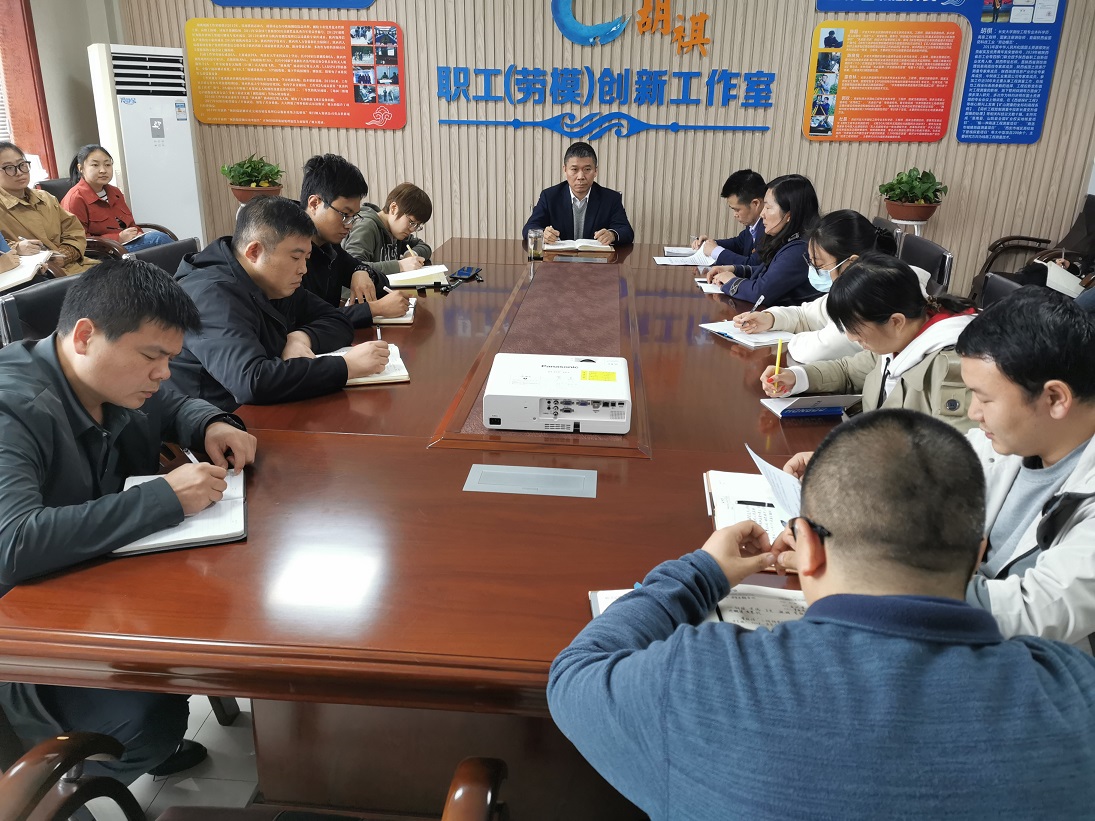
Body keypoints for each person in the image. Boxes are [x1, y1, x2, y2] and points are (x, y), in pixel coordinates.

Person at [548, 409, 1095, 820]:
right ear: (978, 555)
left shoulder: (699, 681)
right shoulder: (1075, 692)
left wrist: (700, 573)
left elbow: (575, 673)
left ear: (805, 547)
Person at [0, 257, 258, 784]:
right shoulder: (13, 407)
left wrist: (210, 422)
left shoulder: (111, 380)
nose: (162, 373)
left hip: (96, 585)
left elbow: (173, 404)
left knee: (225, 612)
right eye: (151, 356)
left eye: (171, 358)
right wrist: (163, 498)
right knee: (148, 720)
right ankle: (66, 791)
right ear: (85, 336)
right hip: (27, 640)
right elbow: (13, 542)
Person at [954, 287, 1095, 650]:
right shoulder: (1012, 444)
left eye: (985, 398)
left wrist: (892, 573)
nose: (973, 412)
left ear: (1055, 398)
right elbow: (920, 472)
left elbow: (1030, 612)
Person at [168, 195, 390, 411]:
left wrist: (301, 337)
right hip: (217, 418)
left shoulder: (273, 281)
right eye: (295, 257)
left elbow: (337, 319)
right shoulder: (211, 294)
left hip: (264, 410)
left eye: (306, 258)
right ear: (254, 251)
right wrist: (347, 367)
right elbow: (251, 381)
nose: (303, 269)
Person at [762, 252, 975, 428]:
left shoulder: (954, 370)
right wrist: (797, 377)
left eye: (856, 328)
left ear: (896, 321)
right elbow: (848, 371)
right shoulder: (899, 341)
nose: (851, 337)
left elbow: (951, 457)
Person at [733, 210, 931, 363]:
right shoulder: (855, 285)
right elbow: (806, 315)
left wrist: (787, 339)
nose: (814, 270)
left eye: (819, 264)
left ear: (851, 263)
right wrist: (770, 318)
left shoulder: (876, 296)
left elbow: (817, 351)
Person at [297, 154, 409, 329]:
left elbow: (381, 281)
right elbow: (308, 319)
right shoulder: (291, 251)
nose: (349, 225)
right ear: (314, 204)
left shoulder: (329, 246)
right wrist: (375, 309)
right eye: (344, 214)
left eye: (353, 217)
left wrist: (361, 271)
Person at [704, 174, 823, 307]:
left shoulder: (800, 249)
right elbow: (770, 273)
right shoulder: (790, 238)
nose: (762, 214)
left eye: (768, 207)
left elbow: (759, 293)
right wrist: (734, 269)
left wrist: (731, 281)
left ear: (789, 215)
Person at [0, 141, 95, 275]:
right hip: (40, 276)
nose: (19, 172)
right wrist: (17, 248)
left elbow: (74, 231)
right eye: (9, 168)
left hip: (74, 266)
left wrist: (65, 255)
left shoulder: (45, 197)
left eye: (22, 164)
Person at [60, 144, 175, 252]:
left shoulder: (114, 192)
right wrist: (118, 238)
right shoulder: (75, 199)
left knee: (162, 244)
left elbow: (130, 224)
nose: (103, 170)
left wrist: (138, 233)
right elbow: (78, 241)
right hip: (103, 253)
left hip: (125, 245)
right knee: (158, 239)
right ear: (80, 168)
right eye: (95, 165)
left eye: (107, 165)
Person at [521, 141, 634, 246]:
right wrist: (543, 234)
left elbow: (626, 231)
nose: (580, 177)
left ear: (595, 171)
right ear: (565, 170)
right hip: (558, 259)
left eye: (587, 169)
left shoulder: (611, 198)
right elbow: (529, 228)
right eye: (574, 169)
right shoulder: (549, 196)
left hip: (596, 260)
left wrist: (612, 235)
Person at [344, 182, 433, 277]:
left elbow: (424, 247)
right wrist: (400, 266)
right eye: (411, 222)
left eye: (417, 226)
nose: (412, 229)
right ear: (394, 208)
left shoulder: (395, 231)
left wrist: (411, 254)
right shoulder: (366, 226)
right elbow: (354, 267)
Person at [689, 169, 766, 267]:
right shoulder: (754, 224)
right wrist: (709, 243)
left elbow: (753, 265)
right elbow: (738, 244)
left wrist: (716, 251)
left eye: (737, 209)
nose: (735, 215)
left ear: (755, 203)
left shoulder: (769, 228)